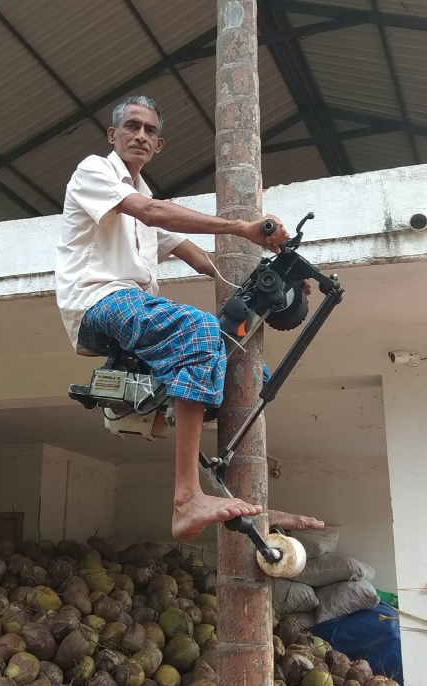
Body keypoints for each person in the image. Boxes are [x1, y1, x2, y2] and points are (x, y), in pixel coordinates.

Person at [55, 95, 324, 541]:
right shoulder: (97, 173)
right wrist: (241, 225)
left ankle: (247, 500)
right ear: (113, 135)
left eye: (150, 131)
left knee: (247, 374)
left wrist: (279, 269)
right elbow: (151, 213)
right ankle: (186, 499)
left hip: (130, 308)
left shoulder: (144, 196)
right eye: (132, 126)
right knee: (198, 329)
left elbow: (197, 257)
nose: (141, 134)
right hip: (97, 302)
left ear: (159, 145)